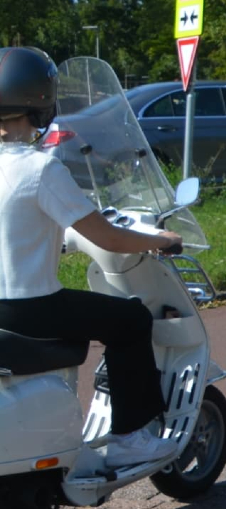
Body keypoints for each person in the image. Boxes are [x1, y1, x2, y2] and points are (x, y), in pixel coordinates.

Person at [0, 47, 184, 468]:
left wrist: (57, 239)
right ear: (42, 103)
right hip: (33, 310)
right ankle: (130, 438)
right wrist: (159, 240)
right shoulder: (40, 169)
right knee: (131, 320)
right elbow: (109, 238)